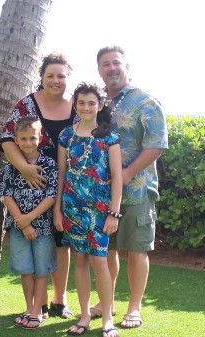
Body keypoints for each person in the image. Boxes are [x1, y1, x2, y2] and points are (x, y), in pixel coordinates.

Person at [88, 45, 169, 329]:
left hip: (137, 190)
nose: (111, 68)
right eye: (105, 64)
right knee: (106, 249)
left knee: (135, 249)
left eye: (116, 63)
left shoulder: (145, 102)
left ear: (127, 67)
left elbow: (157, 143)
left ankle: (134, 308)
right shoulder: (95, 103)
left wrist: (125, 174)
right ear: (99, 70)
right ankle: (105, 303)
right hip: (100, 193)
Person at [0, 52, 76, 319]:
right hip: (32, 186)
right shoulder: (27, 104)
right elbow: (8, 139)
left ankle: (59, 298)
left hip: (69, 183)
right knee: (38, 243)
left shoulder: (80, 105)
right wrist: (25, 168)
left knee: (61, 240)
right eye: (50, 75)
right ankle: (37, 304)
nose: (55, 80)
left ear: (68, 78)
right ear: (41, 77)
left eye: (61, 76)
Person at [54, 82, 122, 337]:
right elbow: (62, 174)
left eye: (91, 102)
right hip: (72, 208)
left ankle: (106, 318)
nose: (85, 107)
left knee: (99, 261)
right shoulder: (65, 136)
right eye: (81, 102)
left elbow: (116, 176)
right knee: (80, 260)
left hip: (101, 211)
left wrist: (114, 212)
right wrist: (58, 211)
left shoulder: (109, 137)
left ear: (100, 105)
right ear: (75, 104)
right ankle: (84, 316)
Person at [0, 117, 58, 329]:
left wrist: (30, 219)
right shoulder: (12, 166)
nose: (28, 142)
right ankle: (28, 307)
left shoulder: (49, 165)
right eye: (23, 138)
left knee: (41, 270)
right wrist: (22, 222)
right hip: (19, 228)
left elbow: (51, 196)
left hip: (42, 227)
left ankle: (37, 311)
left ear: (40, 138)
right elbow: (6, 194)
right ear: (16, 140)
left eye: (32, 138)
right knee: (26, 270)